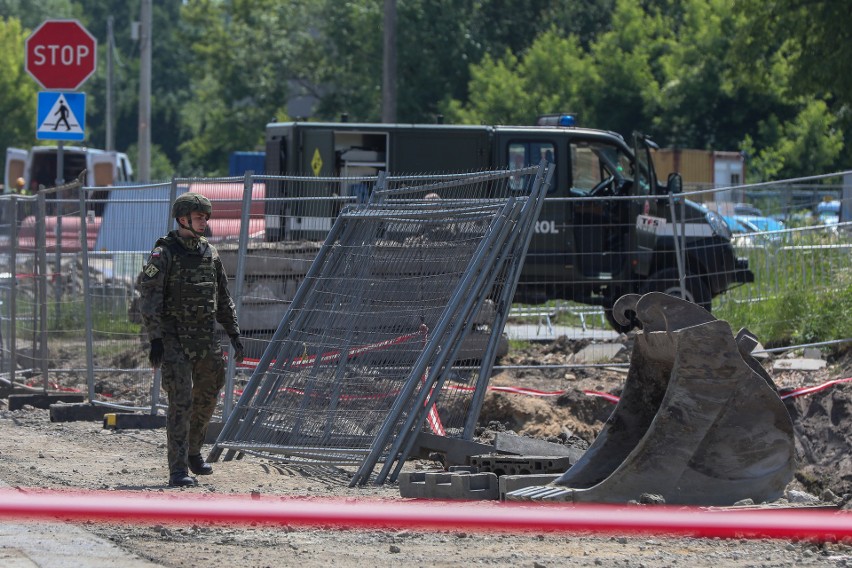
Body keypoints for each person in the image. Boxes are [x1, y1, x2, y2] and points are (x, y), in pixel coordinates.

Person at [137, 192, 245, 487]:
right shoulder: (164, 253)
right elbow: (148, 296)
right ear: (183, 219)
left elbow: (222, 296)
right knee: (181, 401)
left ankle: (194, 452)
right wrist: (156, 339)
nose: (204, 222)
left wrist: (233, 332)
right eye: (199, 217)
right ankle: (177, 469)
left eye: (206, 217)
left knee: (210, 391)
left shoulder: (209, 253)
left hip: (204, 337)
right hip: (173, 339)